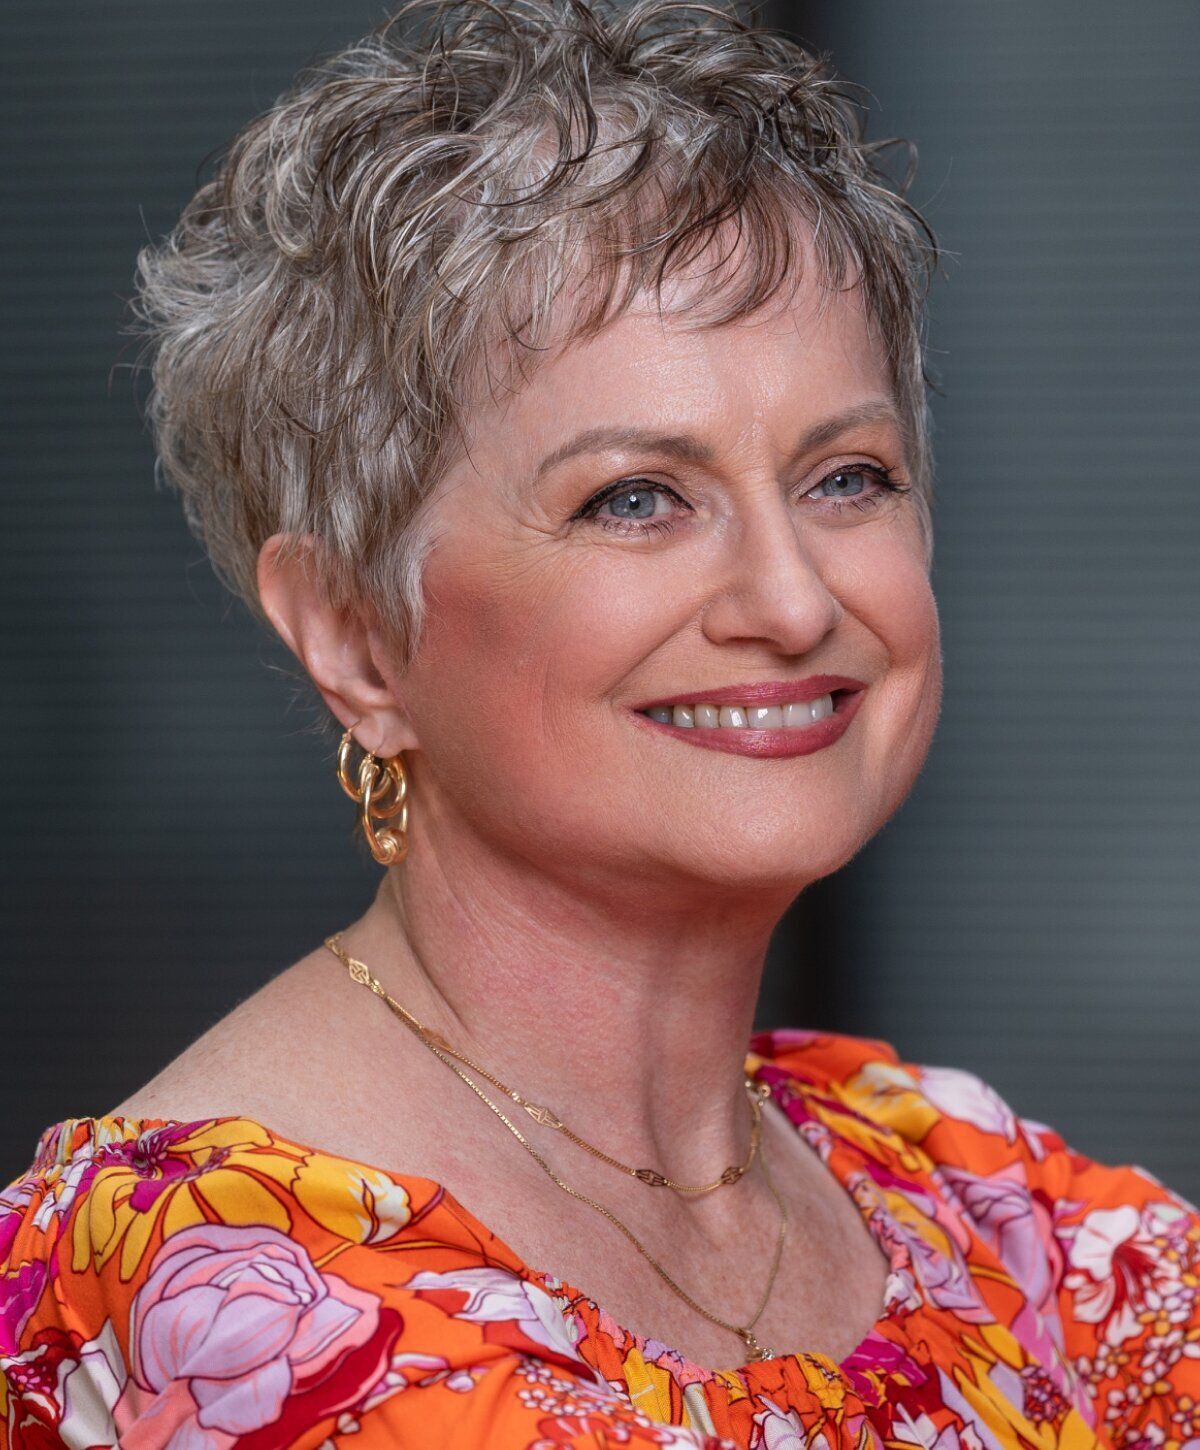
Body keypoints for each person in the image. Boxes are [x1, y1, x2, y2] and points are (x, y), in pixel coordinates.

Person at [3, 0, 1198, 1444]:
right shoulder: (216, 1293)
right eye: (635, 496)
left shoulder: (985, 1209)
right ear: (355, 633)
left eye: (848, 476)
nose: (791, 597)